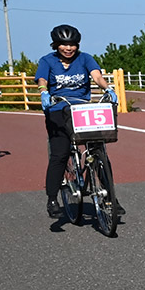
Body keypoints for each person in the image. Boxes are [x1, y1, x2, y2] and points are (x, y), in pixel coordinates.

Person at [35, 25, 122, 218]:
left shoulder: (85, 58)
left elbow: (97, 76)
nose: (68, 48)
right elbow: (41, 79)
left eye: (72, 44)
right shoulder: (47, 60)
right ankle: (52, 199)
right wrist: (44, 92)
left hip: (82, 109)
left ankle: (110, 198)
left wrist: (107, 89)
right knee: (60, 153)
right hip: (58, 109)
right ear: (56, 45)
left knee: (98, 150)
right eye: (64, 44)